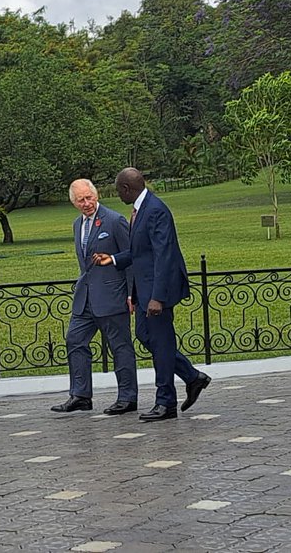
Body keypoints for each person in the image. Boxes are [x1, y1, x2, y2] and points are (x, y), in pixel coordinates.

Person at [93, 167, 210, 421]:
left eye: (118, 190)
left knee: (161, 343)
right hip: (145, 290)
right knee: (147, 337)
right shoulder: (140, 209)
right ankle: (192, 377)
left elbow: (164, 256)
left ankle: (166, 402)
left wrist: (158, 297)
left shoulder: (155, 210)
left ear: (126, 188)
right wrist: (112, 258)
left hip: (158, 291)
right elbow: (141, 252)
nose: (117, 195)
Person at [51, 179, 138, 415]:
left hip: (112, 296)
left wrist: (132, 293)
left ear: (96, 194)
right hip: (86, 298)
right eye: (81, 200)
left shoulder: (114, 220)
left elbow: (130, 257)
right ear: (74, 203)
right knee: (74, 340)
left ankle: (128, 397)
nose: (87, 203)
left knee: (120, 347)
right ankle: (80, 395)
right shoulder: (77, 224)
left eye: (89, 197)